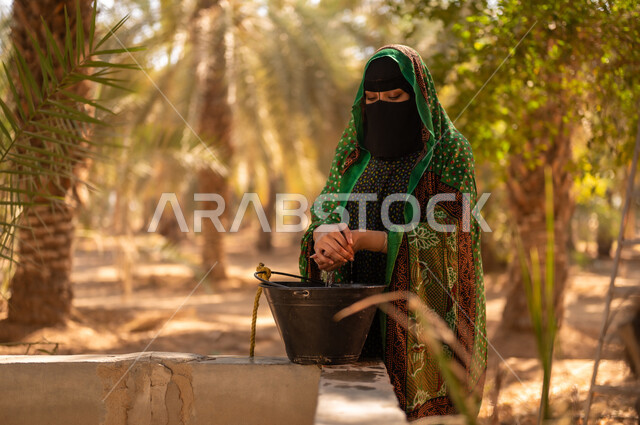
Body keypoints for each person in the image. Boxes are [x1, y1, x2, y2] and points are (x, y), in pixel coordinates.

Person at [299, 44, 487, 419]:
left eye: (396, 96)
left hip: (419, 324)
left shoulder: (448, 151)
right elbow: (327, 210)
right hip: (353, 318)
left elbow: (456, 238)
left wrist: (377, 240)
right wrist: (324, 237)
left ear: (418, 97)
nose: (382, 106)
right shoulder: (354, 149)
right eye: (372, 98)